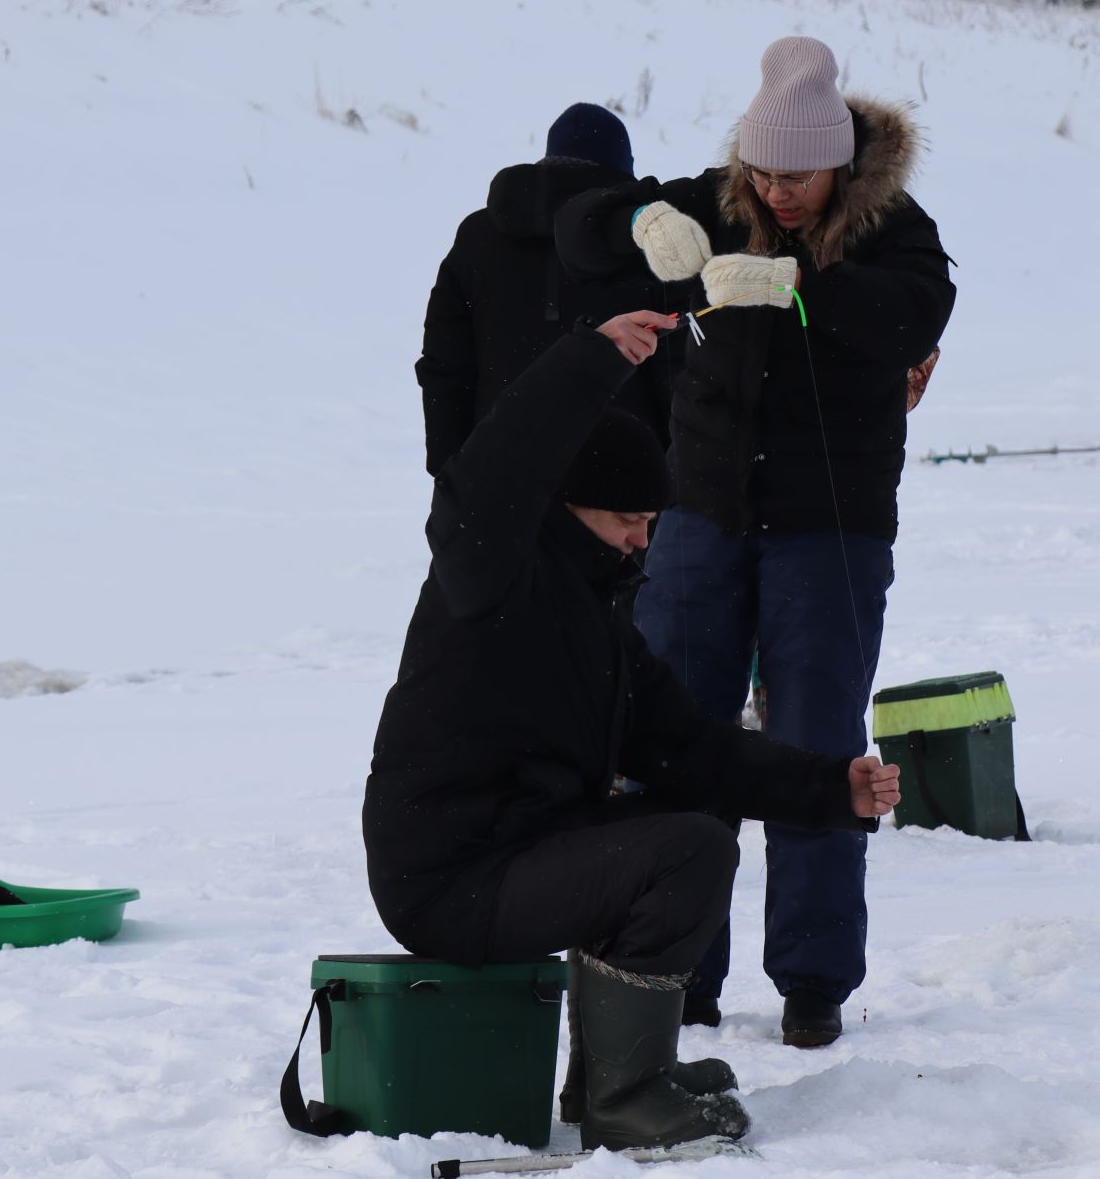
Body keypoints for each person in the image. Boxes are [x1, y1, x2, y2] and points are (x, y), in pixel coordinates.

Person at [362, 317, 902, 1152]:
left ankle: (609, 1077)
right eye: (624, 517)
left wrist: (831, 788)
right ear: (563, 501)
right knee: (685, 850)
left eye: (651, 518)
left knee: (681, 826)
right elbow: (492, 471)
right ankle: (625, 1097)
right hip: (450, 873)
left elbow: (692, 748)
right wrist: (592, 357)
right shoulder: (490, 574)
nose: (642, 539)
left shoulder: (600, 621)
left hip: (520, 848)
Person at [555, 36, 954, 1048]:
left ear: (841, 167)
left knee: (815, 736)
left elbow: (918, 308)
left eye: (800, 177)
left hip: (834, 528)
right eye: (765, 173)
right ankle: (673, 963)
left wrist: (798, 287)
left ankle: (814, 975)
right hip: (699, 513)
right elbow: (571, 224)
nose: (780, 193)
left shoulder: (893, 230)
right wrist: (636, 218)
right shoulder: (714, 200)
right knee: (674, 729)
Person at [416, 103, 689, 476]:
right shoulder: (643, 244)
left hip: (498, 476)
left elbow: (444, 367)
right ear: (623, 169)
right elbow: (677, 374)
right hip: (621, 484)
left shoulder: (478, 237)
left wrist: (450, 472)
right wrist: (674, 482)